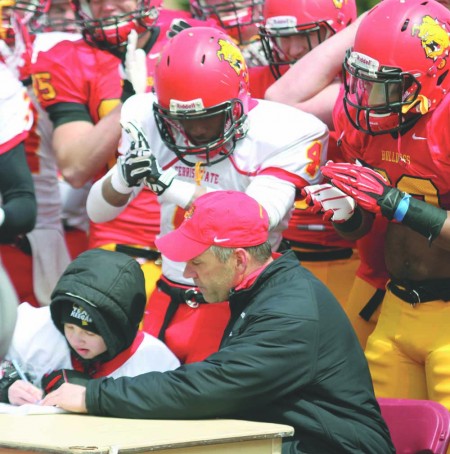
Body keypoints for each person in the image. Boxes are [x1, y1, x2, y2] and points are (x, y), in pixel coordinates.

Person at [42, 190, 394, 454]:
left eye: (197, 262)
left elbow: (207, 389)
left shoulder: (290, 311)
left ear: (238, 261)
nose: (187, 273)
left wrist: (94, 396)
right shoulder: (264, 291)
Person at [86, 25, 329, 364]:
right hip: (168, 290)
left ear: (238, 103)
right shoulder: (147, 116)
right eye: (180, 119)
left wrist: (170, 186)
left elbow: (256, 218)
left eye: (208, 117)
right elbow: (98, 211)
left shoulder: (287, 132)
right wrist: (124, 175)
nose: (196, 131)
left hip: (234, 299)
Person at [304, 0, 450, 409]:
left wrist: (396, 203)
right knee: (383, 435)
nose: (367, 97)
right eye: (362, 80)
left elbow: (395, 205)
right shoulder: (368, 117)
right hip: (398, 303)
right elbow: (368, 225)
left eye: (385, 84)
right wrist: (348, 215)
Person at [1, 247, 180, 405]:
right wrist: (6, 384)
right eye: (69, 327)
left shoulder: (156, 363)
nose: (76, 339)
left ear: (117, 331)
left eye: (89, 333)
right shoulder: (32, 326)